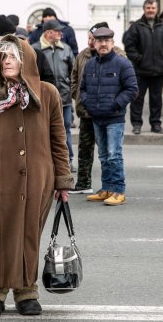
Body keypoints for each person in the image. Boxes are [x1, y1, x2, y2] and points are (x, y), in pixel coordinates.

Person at [0, 34, 73, 318]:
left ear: (26, 61)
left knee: (29, 235)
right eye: (3, 57)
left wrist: (62, 181)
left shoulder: (48, 94)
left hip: (39, 181)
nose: (6, 61)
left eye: (13, 57)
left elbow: (59, 140)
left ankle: (26, 291)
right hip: (0, 180)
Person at [80, 27, 138, 206]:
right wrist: (88, 103)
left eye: (106, 40)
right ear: (94, 43)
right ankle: (106, 188)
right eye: (99, 41)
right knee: (104, 155)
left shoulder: (122, 64)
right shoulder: (90, 64)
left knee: (114, 155)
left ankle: (118, 190)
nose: (103, 44)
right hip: (97, 117)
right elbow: (83, 89)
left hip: (114, 117)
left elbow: (132, 89)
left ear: (112, 43)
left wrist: (115, 105)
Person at [70, 22, 125, 194]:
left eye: (95, 38)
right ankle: (84, 183)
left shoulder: (119, 57)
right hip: (87, 112)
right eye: (90, 39)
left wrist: (114, 104)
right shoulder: (83, 56)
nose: (92, 42)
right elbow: (76, 81)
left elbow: (128, 86)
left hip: (109, 114)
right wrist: (82, 99)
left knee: (111, 153)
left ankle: (115, 189)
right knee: (87, 150)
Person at [123, 0, 163, 134]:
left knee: (156, 99)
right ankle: (136, 124)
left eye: (153, 8)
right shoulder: (136, 27)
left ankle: (156, 124)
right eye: (148, 8)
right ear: (144, 9)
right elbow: (129, 46)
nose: (150, 10)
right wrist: (139, 59)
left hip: (159, 69)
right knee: (137, 98)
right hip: (140, 70)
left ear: (156, 9)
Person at [34, 19, 75, 170]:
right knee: (44, 129)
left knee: (65, 128)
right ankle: (47, 160)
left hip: (64, 97)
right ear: (48, 33)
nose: (60, 33)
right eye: (57, 31)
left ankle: (68, 160)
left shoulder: (66, 49)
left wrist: (72, 91)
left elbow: (73, 73)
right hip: (42, 99)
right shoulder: (35, 49)